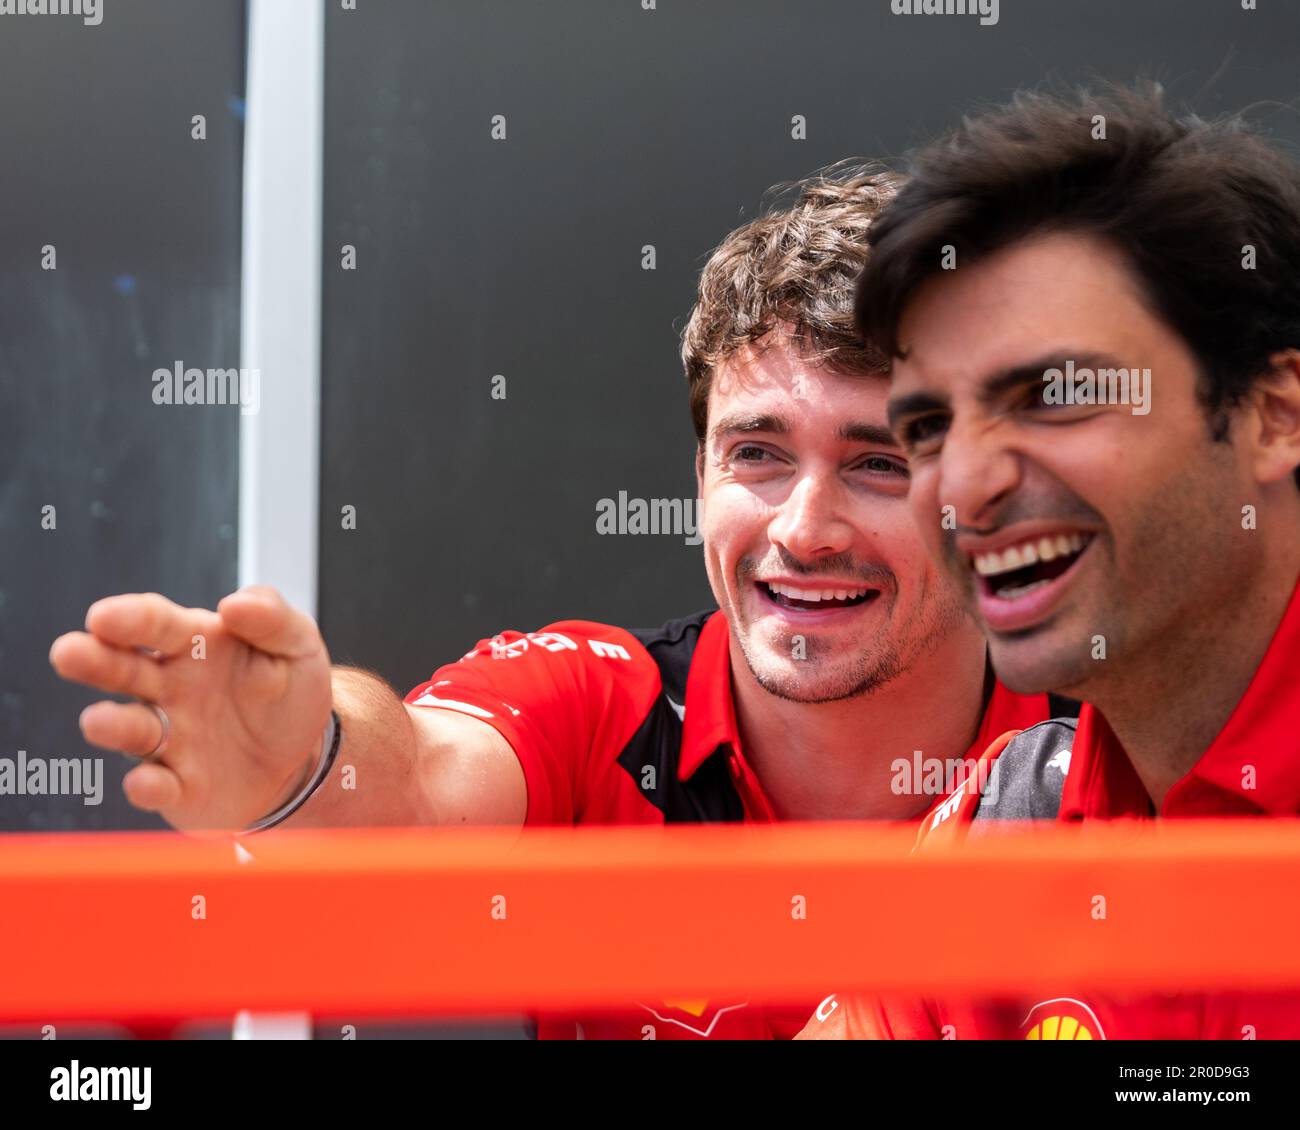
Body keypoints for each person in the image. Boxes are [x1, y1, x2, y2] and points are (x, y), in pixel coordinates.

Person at [49, 166, 1054, 1039]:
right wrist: (303, 766)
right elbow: (410, 780)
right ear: (700, 471)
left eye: (877, 461)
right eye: (756, 453)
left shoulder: (1110, 758)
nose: (803, 527)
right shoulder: (595, 703)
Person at [800, 83, 1300, 1040]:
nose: (965, 484)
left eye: (1056, 394)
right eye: (928, 427)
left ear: (1272, 415)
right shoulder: (1002, 820)